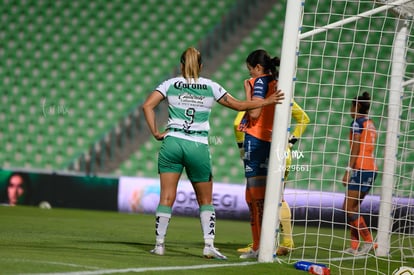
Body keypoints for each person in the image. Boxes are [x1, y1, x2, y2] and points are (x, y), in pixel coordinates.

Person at [142, 47, 284, 259]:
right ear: (200, 66)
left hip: (172, 142)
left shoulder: (169, 84)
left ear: (181, 65)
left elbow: (147, 106)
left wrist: (155, 132)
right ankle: (208, 245)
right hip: (197, 145)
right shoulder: (210, 86)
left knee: (167, 196)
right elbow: (238, 106)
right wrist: (267, 101)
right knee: (205, 199)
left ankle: (160, 244)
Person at [234, 49, 309, 259]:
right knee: (271, 197)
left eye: (250, 70)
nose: (249, 75)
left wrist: (247, 89)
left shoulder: (256, 83)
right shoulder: (278, 84)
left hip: (256, 142)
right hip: (276, 144)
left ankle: (261, 246)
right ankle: (269, 244)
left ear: (257, 68)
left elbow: (254, 112)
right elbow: (302, 117)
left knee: (255, 197)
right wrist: (291, 140)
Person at [342, 91, 378, 255]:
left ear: (356, 106)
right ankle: (355, 246)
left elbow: (356, 146)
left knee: (348, 207)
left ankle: (369, 241)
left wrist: (348, 170)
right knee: (354, 208)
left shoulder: (357, 123)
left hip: (360, 168)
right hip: (371, 169)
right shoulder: (370, 123)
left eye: (351, 105)